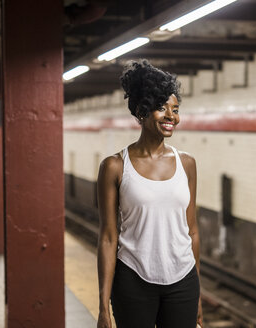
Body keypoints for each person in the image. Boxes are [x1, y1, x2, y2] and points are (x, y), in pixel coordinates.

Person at [96, 59, 202, 328]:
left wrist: (197, 295)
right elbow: (109, 237)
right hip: (133, 280)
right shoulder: (115, 166)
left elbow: (192, 231)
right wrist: (102, 306)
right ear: (141, 112)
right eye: (160, 108)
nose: (171, 116)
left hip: (183, 280)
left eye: (175, 109)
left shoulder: (187, 163)